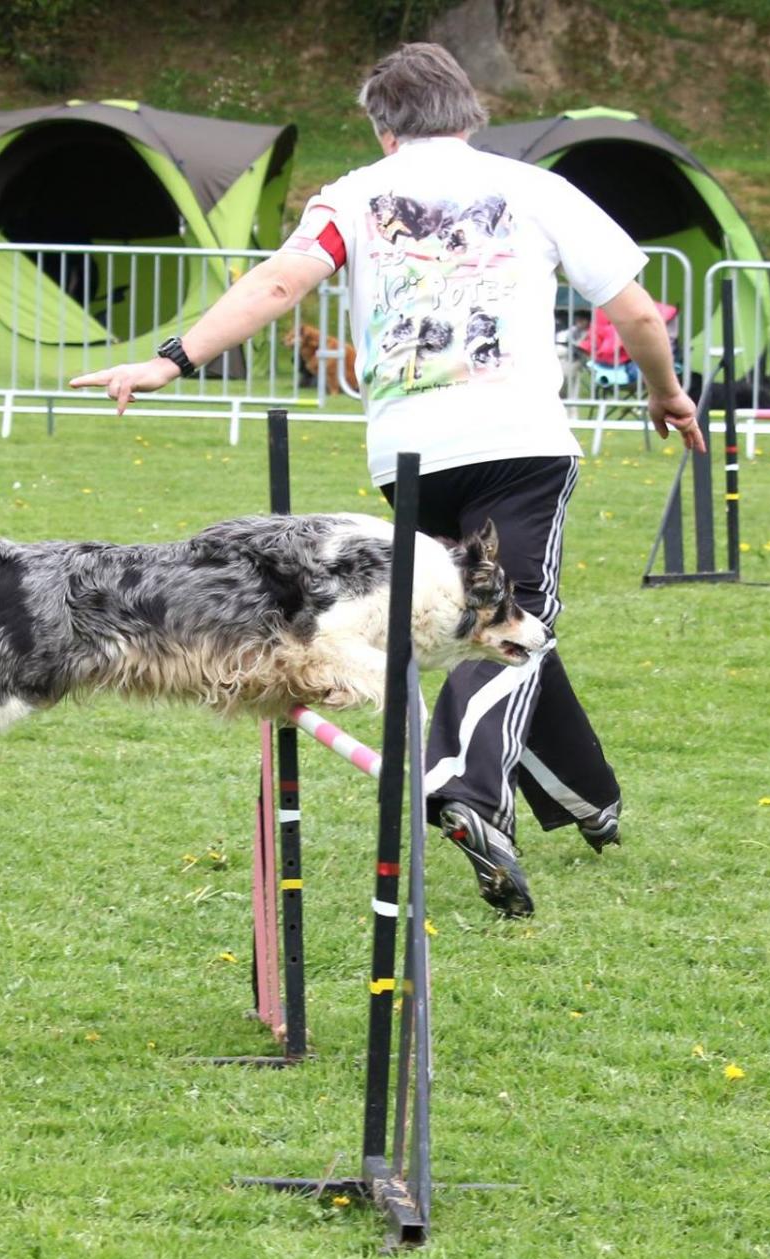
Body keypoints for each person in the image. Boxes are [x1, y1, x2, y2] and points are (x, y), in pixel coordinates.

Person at [71, 43, 704, 917]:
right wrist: (667, 394)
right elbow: (634, 307)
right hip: (519, 443)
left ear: (381, 125)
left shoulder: (353, 196)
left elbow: (281, 281)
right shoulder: (539, 189)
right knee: (514, 616)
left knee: (504, 625)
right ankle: (465, 791)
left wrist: (171, 359)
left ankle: (586, 796)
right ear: (473, 113)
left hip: (410, 457)